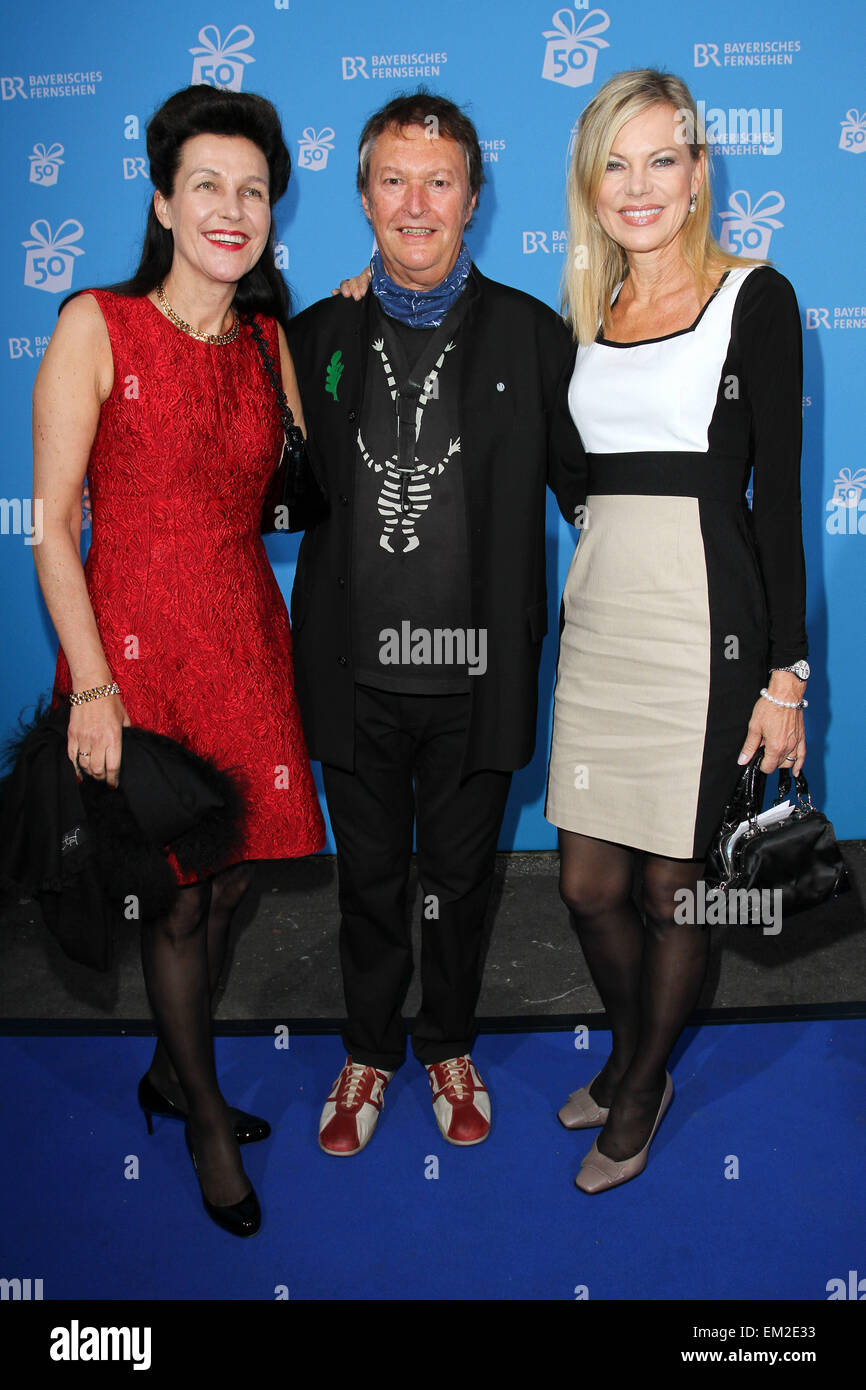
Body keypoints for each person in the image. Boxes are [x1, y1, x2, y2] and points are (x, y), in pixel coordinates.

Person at [32, 84, 324, 1235]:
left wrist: (344, 312)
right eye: (206, 183)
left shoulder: (268, 342)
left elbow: (303, 486)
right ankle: (199, 1111)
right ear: (162, 201)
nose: (230, 207)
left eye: (251, 190)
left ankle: (169, 1066)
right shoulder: (95, 323)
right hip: (135, 654)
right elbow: (52, 524)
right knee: (176, 898)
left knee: (237, 873)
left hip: (246, 640)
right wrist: (93, 688)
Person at [287, 91, 579, 1155]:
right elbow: (264, 488)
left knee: (459, 883)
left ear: (472, 197)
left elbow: (594, 491)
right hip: (351, 674)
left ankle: (445, 1037)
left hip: (476, 677)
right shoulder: (313, 336)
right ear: (363, 195)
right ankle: (367, 1050)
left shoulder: (533, 336)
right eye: (393, 180)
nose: (417, 203)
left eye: (439, 180)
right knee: (367, 883)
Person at [547, 69, 808, 1191]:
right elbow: (577, 476)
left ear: (699, 175)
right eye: (616, 161)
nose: (638, 183)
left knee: (672, 889)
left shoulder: (755, 296)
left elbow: (780, 500)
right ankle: (631, 1046)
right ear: (589, 185)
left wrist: (784, 677)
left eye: (663, 158)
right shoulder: (584, 310)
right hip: (602, 621)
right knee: (585, 886)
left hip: (709, 629)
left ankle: (640, 1086)